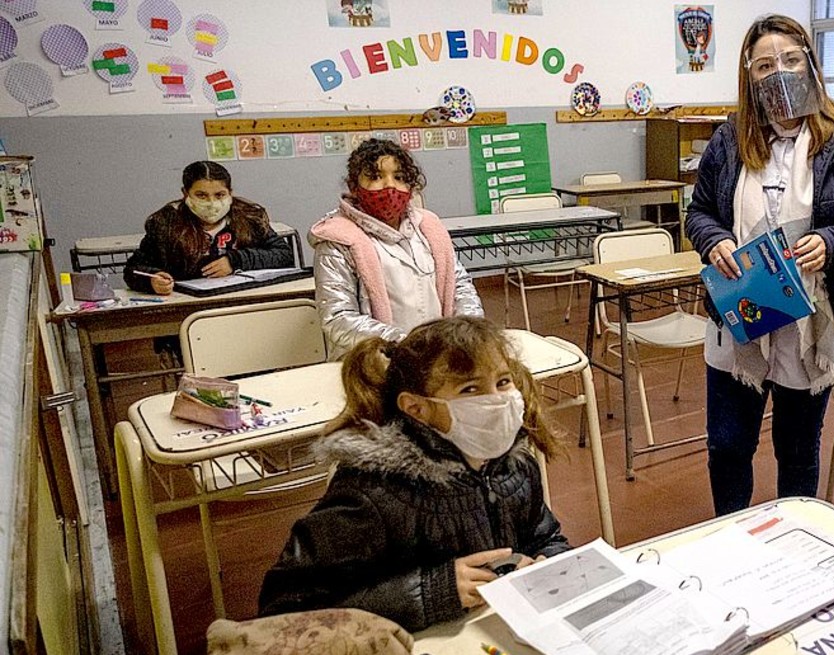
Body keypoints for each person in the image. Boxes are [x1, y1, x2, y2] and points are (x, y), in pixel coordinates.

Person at [685, 14, 834, 517]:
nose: (777, 73)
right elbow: (699, 212)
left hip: (813, 319)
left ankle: (796, 539)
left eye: (789, 59)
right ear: (748, 77)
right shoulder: (730, 139)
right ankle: (731, 532)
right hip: (740, 312)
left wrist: (833, 241)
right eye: (763, 66)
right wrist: (713, 239)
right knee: (729, 445)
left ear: (809, 63)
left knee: (798, 448)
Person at [258, 316, 570, 632]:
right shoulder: (372, 492)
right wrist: (432, 592)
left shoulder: (513, 465)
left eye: (503, 382)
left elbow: (545, 536)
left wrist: (550, 562)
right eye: (470, 389)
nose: (499, 400)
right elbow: (284, 608)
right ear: (416, 407)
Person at [312, 138, 483, 360]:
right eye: (375, 177)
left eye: (399, 177)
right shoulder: (338, 239)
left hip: (438, 356)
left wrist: (467, 327)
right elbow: (337, 317)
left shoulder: (429, 228)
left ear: (410, 186)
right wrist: (402, 343)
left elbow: (459, 285)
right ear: (354, 186)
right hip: (373, 363)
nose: (389, 186)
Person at [123, 161, 292, 295]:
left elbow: (284, 255)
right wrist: (152, 281)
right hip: (188, 306)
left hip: (243, 299)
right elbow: (133, 269)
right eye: (201, 195)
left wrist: (236, 260)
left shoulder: (249, 218)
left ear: (230, 193)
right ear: (185, 194)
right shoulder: (165, 224)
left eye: (219, 195)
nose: (211, 203)